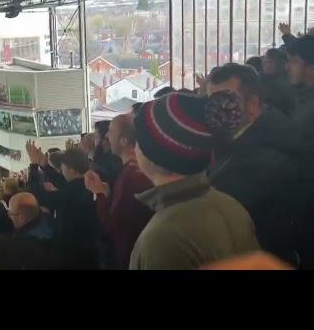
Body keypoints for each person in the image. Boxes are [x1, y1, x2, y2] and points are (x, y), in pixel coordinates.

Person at [129, 92, 260, 270]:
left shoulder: (162, 238)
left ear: (153, 154)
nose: (134, 148)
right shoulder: (230, 205)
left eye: (138, 140)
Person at [206, 63, 308, 260]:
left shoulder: (261, 165)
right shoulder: (265, 129)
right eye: (210, 102)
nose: (215, 110)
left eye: (225, 101)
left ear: (253, 104)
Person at [84, 113, 153, 269]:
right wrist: (107, 192)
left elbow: (112, 224)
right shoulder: (134, 170)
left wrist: (99, 194)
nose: (106, 135)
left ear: (124, 141)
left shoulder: (131, 176)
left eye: (111, 131)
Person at [26, 143, 105, 269]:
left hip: (74, 256)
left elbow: (36, 195)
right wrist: (44, 165)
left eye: (63, 166)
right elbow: (62, 181)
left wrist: (34, 165)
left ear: (72, 169)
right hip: (90, 252)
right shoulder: (87, 183)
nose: (61, 170)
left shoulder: (71, 192)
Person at [8, 192, 57, 269]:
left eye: (10, 213)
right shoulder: (51, 222)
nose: (9, 216)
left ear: (21, 218)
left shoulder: (20, 245)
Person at [260, 48, 294, 117]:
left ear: (281, 64)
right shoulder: (258, 79)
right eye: (266, 62)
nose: (268, 65)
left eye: (272, 62)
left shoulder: (289, 81)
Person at [91, 121, 122, 191]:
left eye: (96, 137)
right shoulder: (99, 157)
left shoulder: (114, 160)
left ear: (105, 138)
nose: (94, 141)